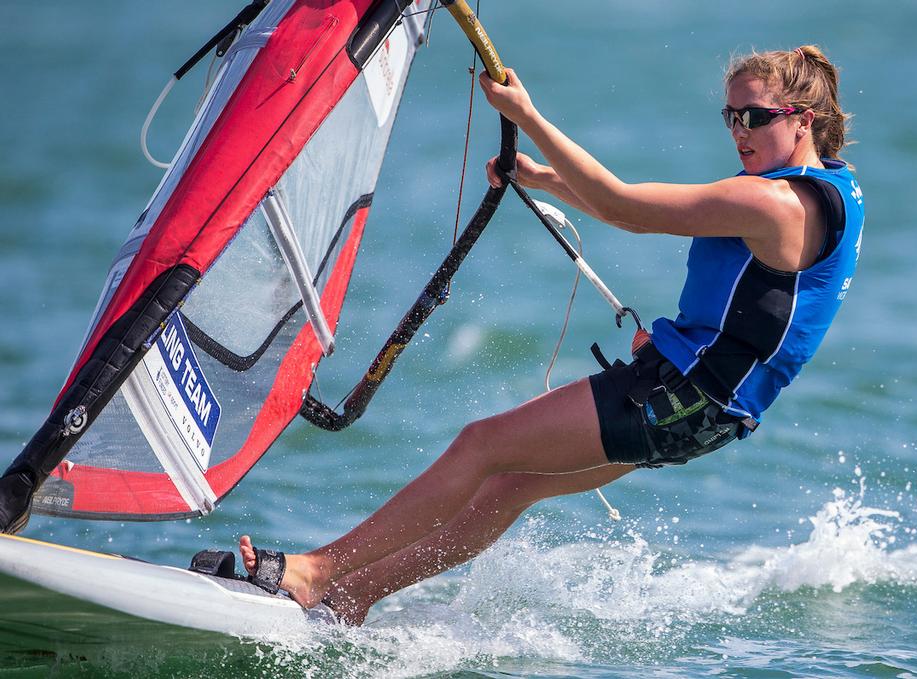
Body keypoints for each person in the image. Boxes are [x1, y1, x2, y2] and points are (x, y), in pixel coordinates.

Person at [238, 45, 865, 625]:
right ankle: (355, 596)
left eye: (753, 117)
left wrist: (526, 114)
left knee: (480, 446)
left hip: (678, 394)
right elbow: (743, 295)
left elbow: (624, 207)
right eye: (729, 116)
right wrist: (542, 179)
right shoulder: (831, 190)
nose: (738, 132)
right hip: (711, 409)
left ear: (802, 118)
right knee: (507, 487)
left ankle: (317, 572)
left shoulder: (777, 206)